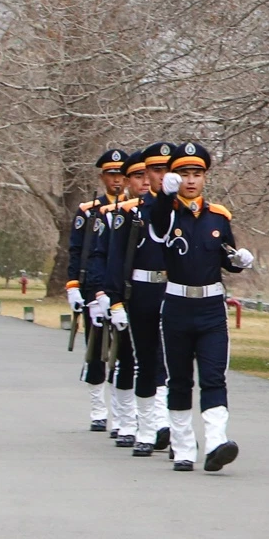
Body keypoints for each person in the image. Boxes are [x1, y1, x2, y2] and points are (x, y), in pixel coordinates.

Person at [147, 142, 252, 472]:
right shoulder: (166, 213)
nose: (191, 181)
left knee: (213, 375)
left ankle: (217, 442)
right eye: (183, 174)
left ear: (205, 177)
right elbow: (158, 226)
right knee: (179, 379)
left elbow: (227, 257)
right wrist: (165, 196)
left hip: (210, 306)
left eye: (197, 174)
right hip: (178, 303)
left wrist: (240, 261)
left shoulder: (218, 216)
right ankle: (182, 446)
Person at [97, 143, 176, 457]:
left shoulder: (185, 209)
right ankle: (142, 426)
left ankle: (166, 425)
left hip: (173, 292)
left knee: (170, 363)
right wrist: (113, 300)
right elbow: (116, 260)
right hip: (141, 291)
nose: (161, 177)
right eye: (155, 171)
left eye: (168, 170)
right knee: (140, 360)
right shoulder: (130, 213)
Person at [71, 147, 129, 432]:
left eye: (121, 175)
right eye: (111, 174)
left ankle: (122, 413)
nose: (116, 181)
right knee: (96, 351)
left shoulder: (132, 211)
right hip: (93, 288)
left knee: (123, 353)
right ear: (103, 177)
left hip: (122, 291)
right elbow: (78, 252)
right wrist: (75, 288)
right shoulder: (88, 211)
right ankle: (97, 408)